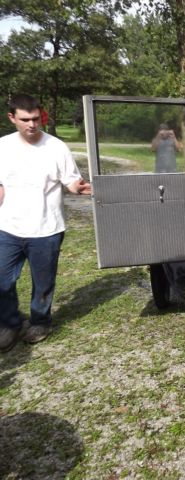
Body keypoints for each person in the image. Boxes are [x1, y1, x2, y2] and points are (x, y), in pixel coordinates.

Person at [0, 94, 92, 353]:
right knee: (2, 281)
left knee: (43, 283)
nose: (31, 125)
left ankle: (40, 321)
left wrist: (82, 188)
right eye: (25, 120)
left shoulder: (56, 147)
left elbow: (72, 181)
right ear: (12, 118)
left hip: (47, 229)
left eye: (36, 119)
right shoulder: (3, 146)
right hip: (7, 228)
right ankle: (10, 324)